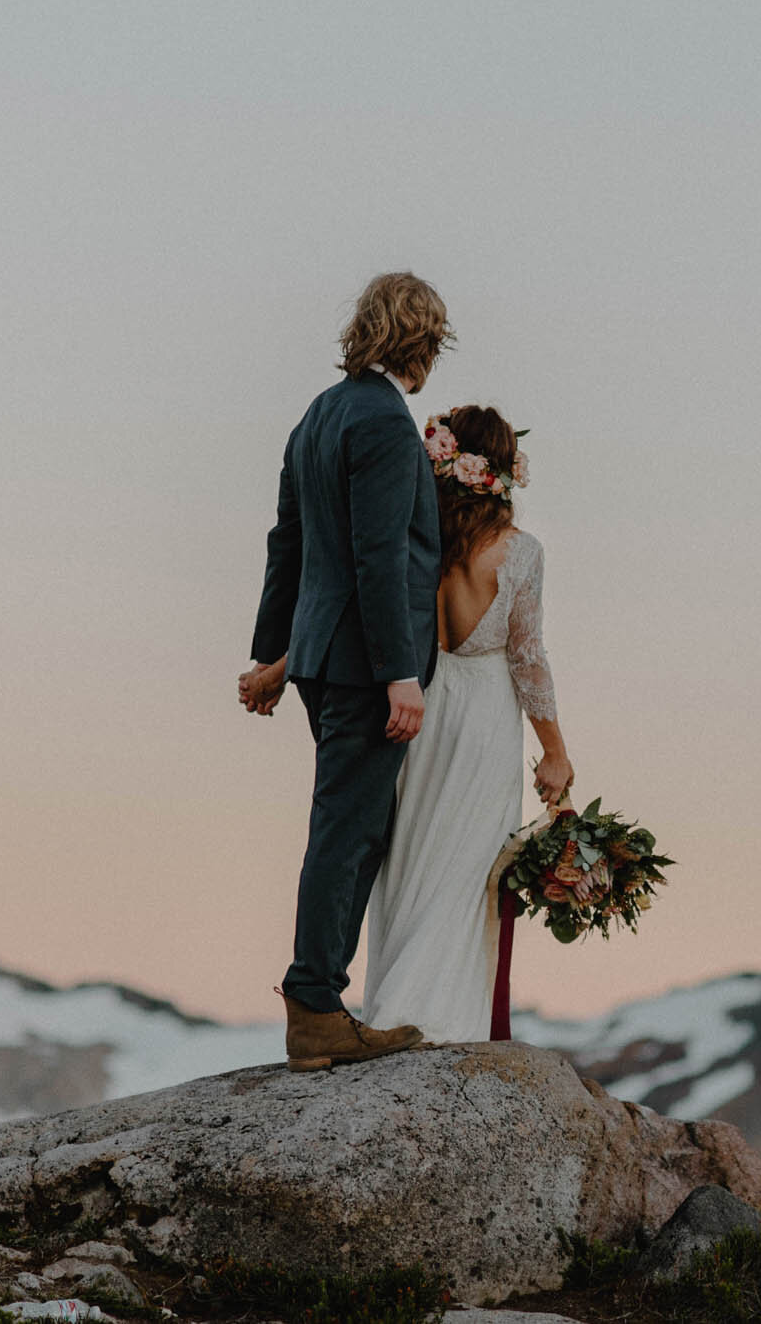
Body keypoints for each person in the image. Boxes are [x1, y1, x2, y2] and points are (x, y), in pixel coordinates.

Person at [240, 271, 450, 1073]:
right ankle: (317, 1004)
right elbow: (378, 554)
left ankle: (319, 1000)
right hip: (367, 664)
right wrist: (401, 671)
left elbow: (285, 541)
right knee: (348, 827)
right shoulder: (387, 427)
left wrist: (270, 653)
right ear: (422, 342)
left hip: (323, 658)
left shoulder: (316, 417)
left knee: (351, 823)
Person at [359, 403, 572, 1042]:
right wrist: (555, 752)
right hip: (482, 724)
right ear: (504, 471)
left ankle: (388, 1011)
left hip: (419, 709)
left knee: (414, 861)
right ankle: (436, 1022)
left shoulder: (420, 542)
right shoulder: (520, 553)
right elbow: (529, 659)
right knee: (466, 875)